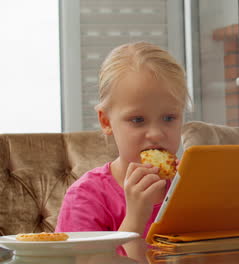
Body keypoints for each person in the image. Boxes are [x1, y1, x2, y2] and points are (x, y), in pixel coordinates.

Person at [55, 41, 189, 260]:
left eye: (168, 118)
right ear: (106, 121)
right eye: (137, 120)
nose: (155, 133)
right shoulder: (87, 198)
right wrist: (135, 220)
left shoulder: (190, 188)